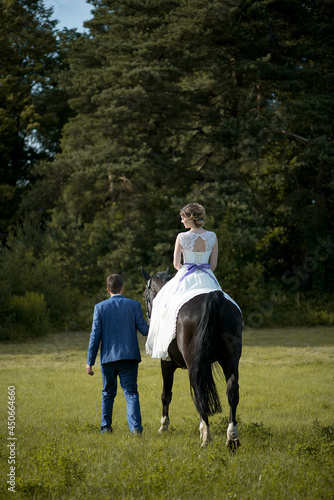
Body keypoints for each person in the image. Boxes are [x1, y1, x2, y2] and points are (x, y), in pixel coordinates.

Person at [145, 202, 241, 359]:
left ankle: (168, 346)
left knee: (162, 303)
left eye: (183, 218)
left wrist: (186, 268)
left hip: (186, 275)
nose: (181, 221)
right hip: (208, 276)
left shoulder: (182, 237)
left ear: (190, 218)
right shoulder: (212, 236)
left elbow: (176, 264)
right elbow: (214, 264)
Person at [86, 274, 149, 435]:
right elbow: (145, 330)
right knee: (131, 393)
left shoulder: (99, 307)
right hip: (129, 357)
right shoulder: (134, 305)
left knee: (108, 393)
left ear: (108, 290)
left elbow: (95, 336)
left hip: (108, 358)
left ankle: (105, 428)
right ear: (122, 287)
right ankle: (135, 430)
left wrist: (89, 362)